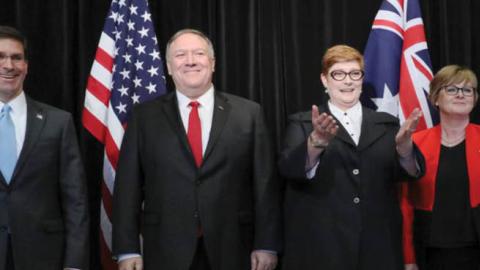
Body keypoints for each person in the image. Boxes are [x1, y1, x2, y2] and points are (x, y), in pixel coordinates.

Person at [112, 29, 281, 270]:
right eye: (180, 55)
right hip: (165, 249)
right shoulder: (144, 117)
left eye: (199, 53)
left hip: (233, 248)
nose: (190, 60)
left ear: (212, 63)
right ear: (169, 67)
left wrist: (267, 244)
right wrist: (127, 249)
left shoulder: (249, 114)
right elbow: (127, 186)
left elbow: (265, 185)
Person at [278, 44, 424, 270]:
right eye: (339, 74)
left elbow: (408, 175)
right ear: (325, 80)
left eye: (355, 73)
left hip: (378, 248)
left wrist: (405, 149)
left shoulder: (386, 124)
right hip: (322, 248)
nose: (348, 81)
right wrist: (316, 143)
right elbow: (288, 170)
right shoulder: (303, 124)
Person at [0, 26, 89, 269]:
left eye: (16, 57)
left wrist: (74, 264)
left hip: (43, 257)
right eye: (0, 56)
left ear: (26, 66)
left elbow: (75, 202)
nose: (9, 65)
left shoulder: (58, 123)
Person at [402, 65, 480, 270]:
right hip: (430, 253)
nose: (461, 95)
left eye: (467, 89)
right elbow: (405, 204)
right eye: (452, 89)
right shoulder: (415, 143)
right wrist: (409, 258)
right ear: (436, 98)